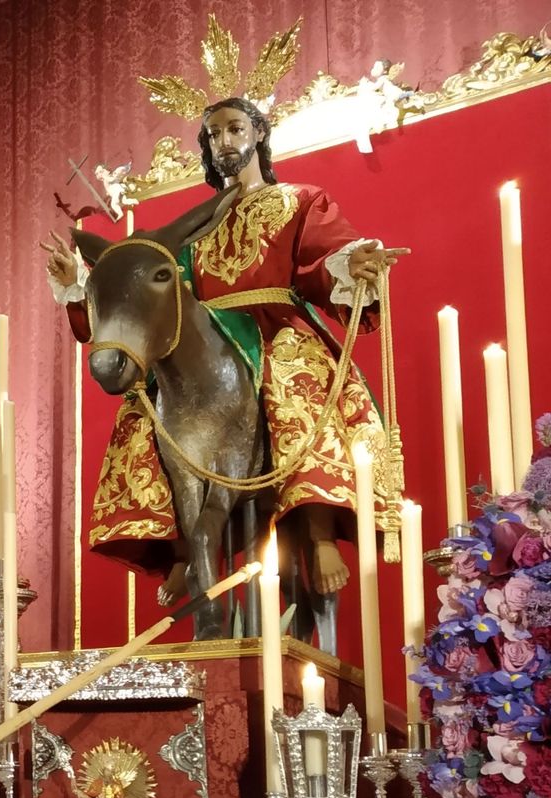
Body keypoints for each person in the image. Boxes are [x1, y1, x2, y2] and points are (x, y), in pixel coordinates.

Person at [44, 96, 409, 605]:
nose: (224, 142)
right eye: (213, 134)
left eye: (235, 129)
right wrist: (79, 286)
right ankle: (182, 550)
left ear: (258, 134)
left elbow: (321, 258)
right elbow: (151, 293)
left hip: (274, 325)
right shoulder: (195, 226)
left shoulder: (298, 200)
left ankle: (319, 531)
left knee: (297, 376)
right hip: (206, 333)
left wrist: (351, 263)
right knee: (146, 409)